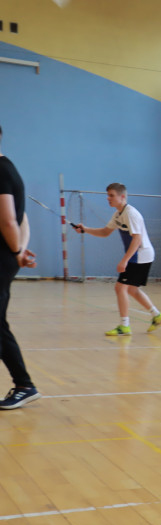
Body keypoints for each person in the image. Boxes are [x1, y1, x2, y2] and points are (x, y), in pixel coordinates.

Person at [71, 183, 161, 335]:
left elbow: (137, 239)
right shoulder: (118, 214)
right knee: (132, 289)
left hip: (140, 255)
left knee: (120, 287)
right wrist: (85, 229)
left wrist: (124, 260)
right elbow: (105, 232)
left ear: (122, 197)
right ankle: (157, 315)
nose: (108, 198)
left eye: (111, 195)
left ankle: (124, 326)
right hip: (139, 255)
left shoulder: (131, 214)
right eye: (107, 195)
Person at [0, 123, 40, 410]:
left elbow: (9, 221)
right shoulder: (9, 168)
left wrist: (16, 252)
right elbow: (22, 218)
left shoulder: (1, 171)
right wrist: (20, 251)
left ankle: (25, 385)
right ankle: (24, 384)